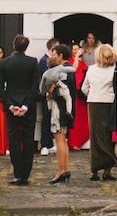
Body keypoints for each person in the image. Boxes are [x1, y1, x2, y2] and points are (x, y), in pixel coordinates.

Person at [0, 34, 41, 185]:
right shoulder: (32, 62)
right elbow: (35, 86)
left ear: (13, 45)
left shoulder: (4, 63)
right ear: (26, 47)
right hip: (27, 106)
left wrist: (10, 105)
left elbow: (0, 88)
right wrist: (25, 105)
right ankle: (25, 174)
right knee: (28, 139)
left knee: (14, 140)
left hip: (11, 106)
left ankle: (17, 173)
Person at [40, 43, 76, 184]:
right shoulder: (69, 70)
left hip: (58, 108)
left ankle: (61, 170)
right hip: (65, 108)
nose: (53, 56)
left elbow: (55, 89)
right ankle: (64, 169)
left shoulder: (61, 72)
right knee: (63, 140)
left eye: (55, 54)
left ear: (60, 55)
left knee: (59, 139)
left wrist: (49, 91)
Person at [83, 43, 117, 180]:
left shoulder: (91, 70)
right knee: (108, 135)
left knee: (95, 136)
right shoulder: (115, 70)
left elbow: (84, 88)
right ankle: (107, 170)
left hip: (94, 102)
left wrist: (93, 93)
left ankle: (94, 170)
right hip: (109, 102)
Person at [68, 42, 90, 151]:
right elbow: (73, 70)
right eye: (74, 49)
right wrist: (77, 57)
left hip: (82, 93)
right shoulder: (70, 61)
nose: (76, 51)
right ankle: (74, 142)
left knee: (84, 117)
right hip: (74, 92)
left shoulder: (82, 62)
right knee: (76, 118)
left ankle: (83, 140)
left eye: (78, 49)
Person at [37, 38, 58, 156]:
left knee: (52, 119)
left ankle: (51, 143)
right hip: (46, 94)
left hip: (53, 94)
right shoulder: (43, 61)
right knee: (46, 119)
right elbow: (47, 79)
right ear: (52, 49)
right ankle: (45, 144)